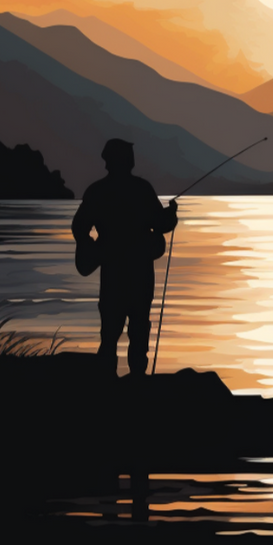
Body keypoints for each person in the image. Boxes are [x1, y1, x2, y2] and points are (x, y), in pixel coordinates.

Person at [71, 139, 178, 376]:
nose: (132, 158)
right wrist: (171, 215)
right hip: (139, 272)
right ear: (125, 159)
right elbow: (161, 223)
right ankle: (137, 379)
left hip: (112, 272)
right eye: (129, 154)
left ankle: (108, 380)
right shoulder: (142, 189)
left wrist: (94, 250)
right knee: (139, 328)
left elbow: (79, 228)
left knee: (109, 331)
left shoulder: (97, 191)